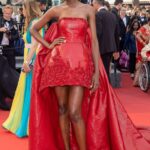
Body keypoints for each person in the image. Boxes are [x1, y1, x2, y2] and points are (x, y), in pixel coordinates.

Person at [29, 0, 150, 150]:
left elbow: (94, 41)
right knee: (62, 109)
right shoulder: (56, 10)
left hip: (81, 64)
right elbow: (33, 29)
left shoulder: (88, 10)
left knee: (74, 112)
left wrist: (97, 72)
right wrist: (48, 44)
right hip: (58, 63)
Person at [2, 0, 45, 137]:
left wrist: (28, 62)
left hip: (32, 60)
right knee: (27, 91)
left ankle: (31, 125)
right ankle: (27, 123)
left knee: (30, 91)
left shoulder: (35, 23)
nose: (22, 11)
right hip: (30, 59)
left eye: (23, 9)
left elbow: (36, 45)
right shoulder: (33, 22)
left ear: (29, 9)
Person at [92, 0, 119, 79]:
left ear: (97, 4)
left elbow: (98, 33)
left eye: (93, 4)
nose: (93, 6)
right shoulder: (112, 15)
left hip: (101, 47)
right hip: (111, 47)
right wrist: (117, 49)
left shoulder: (98, 15)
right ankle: (107, 88)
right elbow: (117, 33)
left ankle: (106, 89)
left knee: (101, 71)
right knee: (106, 69)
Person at [0, 5, 19, 110]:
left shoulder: (14, 22)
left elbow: (17, 36)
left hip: (10, 49)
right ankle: (2, 96)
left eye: (9, 13)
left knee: (11, 71)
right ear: (3, 13)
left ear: (11, 13)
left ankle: (10, 94)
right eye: (5, 13)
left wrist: (10, 35)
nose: (7, 15)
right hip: (0, 49)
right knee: (1, 73)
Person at [133, 18, 150, 86]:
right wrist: (143, 43)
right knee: (140, 64)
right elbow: (137, 35)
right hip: (144, 48)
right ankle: (137, 81)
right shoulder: (144, 27)